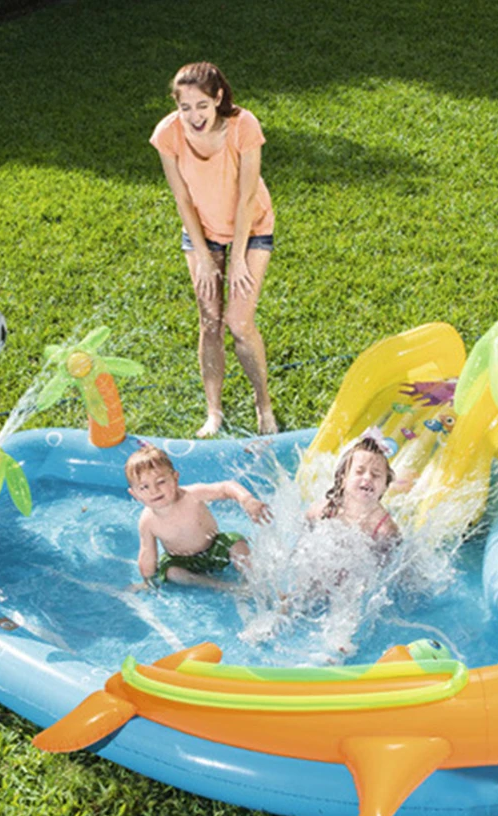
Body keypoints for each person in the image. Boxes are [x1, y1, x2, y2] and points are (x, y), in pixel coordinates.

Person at [150, 61, 277, 438]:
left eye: (202, 106)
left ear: (218, 98)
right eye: (185, 107)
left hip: (251, 228)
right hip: (202, 232)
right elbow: (182, 199)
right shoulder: (168, 134)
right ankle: (214, 413)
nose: (194, 116)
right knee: (209, 323)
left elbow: (247, 196)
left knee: (239, 323)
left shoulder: (243, 126)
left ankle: (263, 405)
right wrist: (205, 258)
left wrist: (237, 259)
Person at [125, 444, 271, 590]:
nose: (154, 490)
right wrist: (147, 581)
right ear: (135, 494)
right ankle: (223, 586)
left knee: (236, 543)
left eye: (161, 482)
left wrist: (247, 500)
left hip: (215, 546)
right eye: (144, 487)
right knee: (172, 572)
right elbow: (147, 553)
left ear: (175, 478)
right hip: (182, 561)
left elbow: (225, 487)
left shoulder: (192, 495)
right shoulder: (147, 520)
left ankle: (259, 580)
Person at [306, 436, 401, 546]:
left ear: (385, 487)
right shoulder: (322, 511)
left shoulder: (385, 530)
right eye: (359, 472)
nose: (368, 478)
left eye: (375, 475)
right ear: (343, 480)